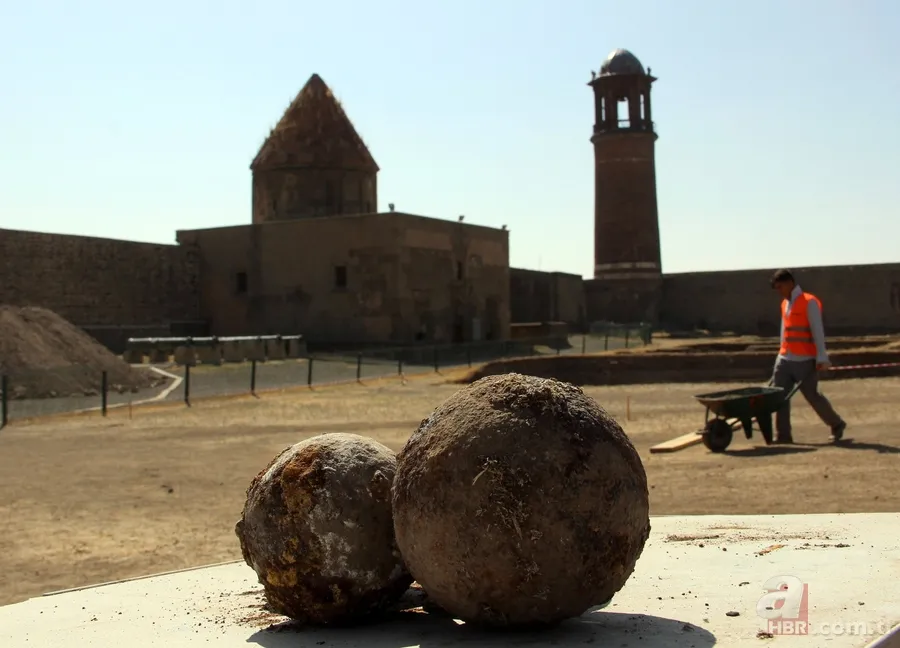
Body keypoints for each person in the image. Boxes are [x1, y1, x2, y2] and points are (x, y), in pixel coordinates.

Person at [769, 269, 847, 444]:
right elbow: (784, 331)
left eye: (780, 287)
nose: (779, 291)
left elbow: (817, 331)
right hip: (784, 359)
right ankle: (783, 435)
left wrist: (821, 357)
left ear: (790, 283)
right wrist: (780, 352)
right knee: (779, 397)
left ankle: (836, 424)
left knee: (812, 396)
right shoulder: (784, 304)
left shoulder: (809, 302)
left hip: (805, 360)